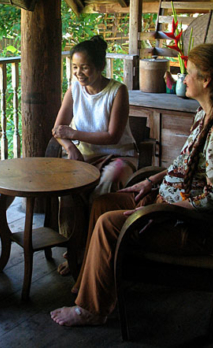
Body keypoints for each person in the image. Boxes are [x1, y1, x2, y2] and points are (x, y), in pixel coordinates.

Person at [51, 43, 213, 326]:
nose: (183, 79)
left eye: (188, 74)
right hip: (165, 203)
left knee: (108, 223)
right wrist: (150, 181)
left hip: (188, 225)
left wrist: (163, 210)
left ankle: (91, 308)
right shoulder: (204, 115)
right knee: (102, 205)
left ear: (206, 80)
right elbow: (182, 166)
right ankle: (90, 286)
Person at [52, 35, 137, 274]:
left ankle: (96, 249)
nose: (79, 73)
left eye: (85, 67)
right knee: (67, 191)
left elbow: (113, 136)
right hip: (85, 156)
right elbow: (58, 130)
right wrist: (71, 148)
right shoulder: (74, 89)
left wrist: (75, 133)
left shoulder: (117, 91)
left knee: (107, 182)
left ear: (100, 67)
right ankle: (74, 248)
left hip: (119, 155)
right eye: (75, 67)